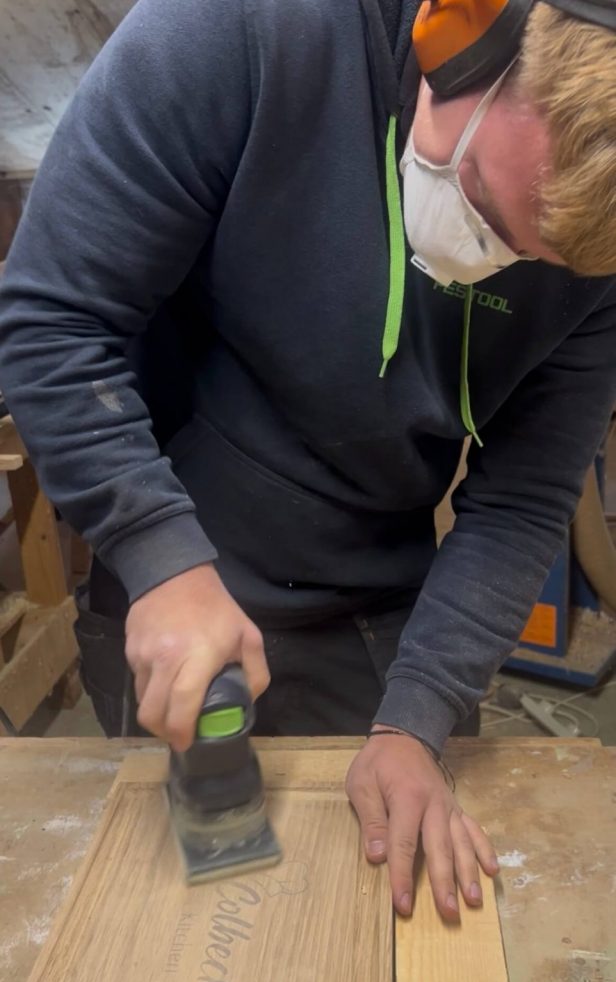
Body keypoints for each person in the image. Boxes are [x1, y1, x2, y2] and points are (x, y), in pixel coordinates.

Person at [0, 0, 614, 922]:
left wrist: (420, 712)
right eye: (489, 209)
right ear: (460, 35)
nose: (492, 262)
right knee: (166, 932)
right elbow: (54, 319)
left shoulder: (589, 255)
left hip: (386, 614)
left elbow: (520, 502)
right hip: (180, 576)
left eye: (541, 259)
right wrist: (157, 552)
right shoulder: (236, 29)